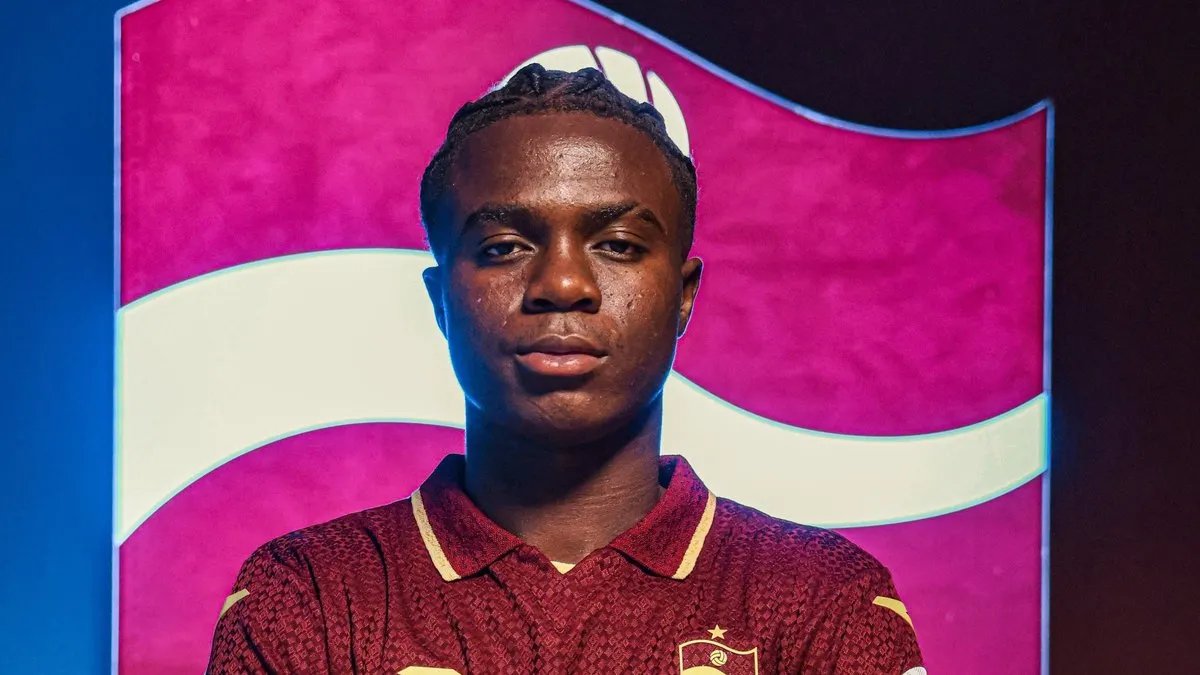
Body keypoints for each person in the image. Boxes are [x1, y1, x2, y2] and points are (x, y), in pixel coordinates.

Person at [207, 63, 924, 675]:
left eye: (617, 245)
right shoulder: (312, 595)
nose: (563, 283)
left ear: (682, 296)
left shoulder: (822, 602)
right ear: (440, 299)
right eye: (504, 247)